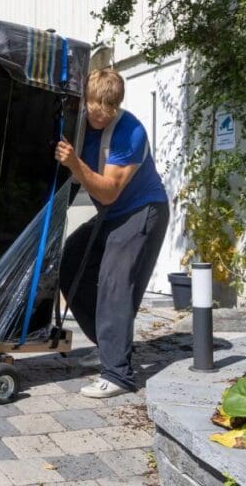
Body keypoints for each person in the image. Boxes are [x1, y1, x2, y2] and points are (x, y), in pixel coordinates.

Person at [53, 68, 169, 399]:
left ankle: (118, 374)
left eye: (110, 108)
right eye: (95, 107)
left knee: (114, 284)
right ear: (84, 100)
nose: (102, 114)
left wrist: (75, 163)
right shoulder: (77, 123)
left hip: (141, 211)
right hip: (113, 215)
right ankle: (108, 346)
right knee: (71, 264)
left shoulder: (129, 132)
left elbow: (107, 192)